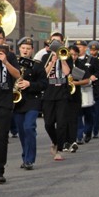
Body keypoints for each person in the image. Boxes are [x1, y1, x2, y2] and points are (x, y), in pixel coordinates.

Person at [0, 26, 21, 184]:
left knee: (1, 137)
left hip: (4, 99)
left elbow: (18, 75)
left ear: (4, 40)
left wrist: (5, 61)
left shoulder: (11, 56)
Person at [12, 38, 47, 170]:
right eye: (23, 48)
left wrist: (29, 84)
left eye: (28, 48)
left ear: (32, 50)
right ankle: (25, 155)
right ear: (19, 48)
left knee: (29, 128)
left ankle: (30, 160)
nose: (25, 50)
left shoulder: (37, 65)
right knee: (21, 131)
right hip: (18, 102)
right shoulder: (14, 63)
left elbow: (44, 84)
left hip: (33, 100)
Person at [41, 32, 72, 162]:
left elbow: (67, 72)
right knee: (48, 123)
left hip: (62, 93)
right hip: (48, 93)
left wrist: (62, 60)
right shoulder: (45, 57)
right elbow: (44, 74)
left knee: (61, 123)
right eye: (53, 41)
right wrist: (52, 62)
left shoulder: (66, 56)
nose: (55, 44)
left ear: (62, 43)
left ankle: (59, 150)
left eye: (58, 42)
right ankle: (54, 141)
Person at [64, 45, 91, 153]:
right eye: (71, 54)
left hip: (75, 95)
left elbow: (87, 80)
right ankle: (65, 141)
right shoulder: (64, 63)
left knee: (74, 119)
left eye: (75, 55)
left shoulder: (80, 65)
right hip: (64, 95)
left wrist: (76, 83)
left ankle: (73, 141)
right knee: (64, 120)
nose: (73, 57)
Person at [83, 41, 99, 141]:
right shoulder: (87, 59)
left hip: (97, 87)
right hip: (88, 86)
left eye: (95, 50)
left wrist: (96, 76)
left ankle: (95, 131)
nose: (93, 52)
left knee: (97, 112)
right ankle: (87, 129)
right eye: (91, 50)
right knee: (88, 111)